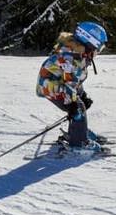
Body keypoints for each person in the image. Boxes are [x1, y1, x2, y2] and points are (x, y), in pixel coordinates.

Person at [36, 21, 108, 150]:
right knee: (78, 109)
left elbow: (74, 81)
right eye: (99, 47)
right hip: (51, 87)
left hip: (59, 83)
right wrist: (73, 105)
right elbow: (70, 84)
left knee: (79, 102)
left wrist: (82, 94)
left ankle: (78, 132)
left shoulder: (77, 52)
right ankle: (79, 143)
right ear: (90, 42)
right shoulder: (73, 58)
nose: (99, 51)